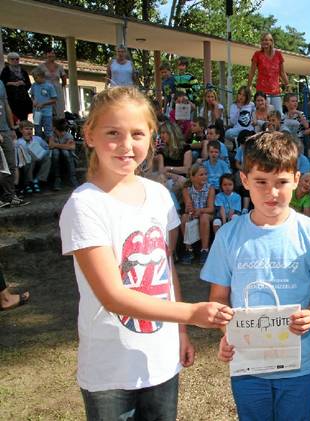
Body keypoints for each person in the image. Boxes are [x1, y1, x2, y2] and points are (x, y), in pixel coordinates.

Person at [59, 87, 233, 420]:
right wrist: (190, 315)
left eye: (137, 133)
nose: (126, 145)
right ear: (90, 135)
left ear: (151, 136)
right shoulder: (85, 205)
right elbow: (112, 296)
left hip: (160, 358)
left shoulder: (158, 195)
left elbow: (165, 270)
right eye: (113, 133)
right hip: (110, 368)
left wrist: (180, 333)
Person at [204, 131, 310, 421]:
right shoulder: (228, 236)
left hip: (298, 365)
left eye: (281, 182)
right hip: (247, 364)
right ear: (244, 181)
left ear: (296, 179)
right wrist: (227, 333)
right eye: (261, 182)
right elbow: (218, 300)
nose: (272, 192)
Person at [180, 164, 215, 265]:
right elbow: (188, 206)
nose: (204, 176)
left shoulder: (210, 188)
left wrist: (200, 210)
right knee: (184, 217)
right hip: (194, 213)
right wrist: (190, 209)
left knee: (204, 217)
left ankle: (204, 250)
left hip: (206, 213)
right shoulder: (187, 189)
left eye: (205, 174)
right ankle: (189, 250)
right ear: (193, 177)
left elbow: (211, 208)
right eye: (201, 175)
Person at [0, 79, 27, 208]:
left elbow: (6, 105)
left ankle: (9, 196)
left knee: (10, 164)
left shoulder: (1, 83)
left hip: (5, 130)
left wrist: (11, 128)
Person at [247, 32, 289, 115]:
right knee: (265, 114)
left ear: (271, 42)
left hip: (276, 92)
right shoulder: (257, 55)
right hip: (263, 92)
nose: (264, 42)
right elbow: (252, 72)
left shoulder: (278, 54)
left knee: (279, 114)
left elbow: (282, 72)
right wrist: (248, 87)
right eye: (262, 40)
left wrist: (288, 85)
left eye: (266, 40)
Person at [16, 120, 51, 194]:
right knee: (30, 159)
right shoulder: (19, 142)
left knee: (47, 159)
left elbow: (46, 148)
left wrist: (42, 152)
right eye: (26, 129)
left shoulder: (37, 139)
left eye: (31, 129)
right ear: (21, 130)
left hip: (38, 158)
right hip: (26, 162)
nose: (29, 131)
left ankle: (37, 179)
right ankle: (29, 182)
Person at [0, 52, 32, 121]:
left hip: (23, 99)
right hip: (11, 99)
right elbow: (2, 84)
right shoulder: (5, 70)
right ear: (8, 60)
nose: (15, 61)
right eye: (12, 59)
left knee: (23, 119)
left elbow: (29, 84)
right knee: (13, 119)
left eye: (17, 59)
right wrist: (13, 83)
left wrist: (23, 83)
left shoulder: (23, 71)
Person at [49, 118, 79, 190]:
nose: (62, 133)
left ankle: (72, 177)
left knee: (65, 152)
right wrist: (65, 146)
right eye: (59, 131)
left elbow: (72, 147)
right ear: (54, 129)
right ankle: (57, 178)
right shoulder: (52, 135)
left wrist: (56, 145)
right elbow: (50, 145)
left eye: (63, 131)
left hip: (69, 158)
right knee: (55, 152)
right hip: (56, 158)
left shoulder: (68, 136)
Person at [37, 48, 67, 117]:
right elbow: (37, 77)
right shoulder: (41, 66)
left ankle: (59, 125)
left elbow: (64, 78)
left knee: (59, 109)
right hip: (46, 90)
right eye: (49, 53)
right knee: (47, 109)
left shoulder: (60, 67)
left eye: (53, 53)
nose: (51, 55)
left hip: (57, 90)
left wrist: (61, 86)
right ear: (46, 55)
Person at [30, 67, 57, 139]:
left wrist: (43, 104)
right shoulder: (34, 85)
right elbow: (32, 96)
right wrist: (33, 101)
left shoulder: (49, 86)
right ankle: (38, 146)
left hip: (47, 112)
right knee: (37, 130)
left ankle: (51, 145)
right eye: (34, 78)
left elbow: (54, 99)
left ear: (42, 76)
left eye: (36, 78)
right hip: (36, 112)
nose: (34, 79)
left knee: (48, 130)